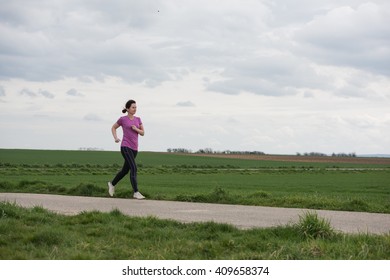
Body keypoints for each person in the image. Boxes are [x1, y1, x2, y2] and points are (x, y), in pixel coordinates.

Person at [108, 99, 145, 199]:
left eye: (136, 107)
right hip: (125, 146)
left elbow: (142, 133)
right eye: (133, 107)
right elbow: (113, 127)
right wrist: (115, 138)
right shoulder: (122, 119)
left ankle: (112, 184)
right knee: (134, 168)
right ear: (128, 109)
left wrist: (136, 129)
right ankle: (136, 192)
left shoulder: (138, 119)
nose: (135, 109)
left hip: (134, 148)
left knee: (125, 170)